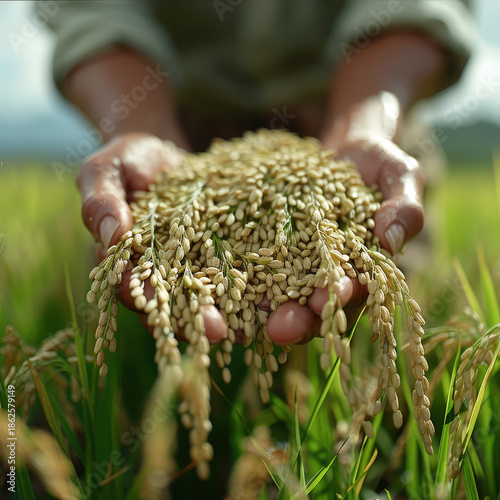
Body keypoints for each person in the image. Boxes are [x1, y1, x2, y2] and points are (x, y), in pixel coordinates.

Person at [38, 0, 474, 345]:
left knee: (373, 337)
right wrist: (139, 128)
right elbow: (93, 11)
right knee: (144, 342)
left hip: (351, 107)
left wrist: (362, 125)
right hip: (175, 115)